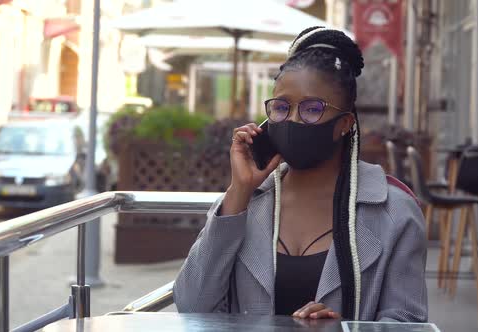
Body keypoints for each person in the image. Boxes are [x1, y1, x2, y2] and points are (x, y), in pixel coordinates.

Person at [173, 27, 427, 322]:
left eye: (311, 109)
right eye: (281, 107)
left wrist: (341, 329)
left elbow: (407, 323)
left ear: (345, 123)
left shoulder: (394, 211)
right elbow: (192, 305)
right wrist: (238, 192)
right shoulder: (247, 202)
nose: (293, 119)